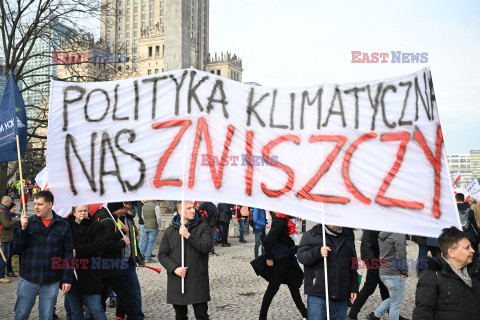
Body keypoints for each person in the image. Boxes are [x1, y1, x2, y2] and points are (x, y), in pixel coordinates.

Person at [13, 190, 73, 320]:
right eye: (34, 203)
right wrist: (22, 229)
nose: (35, 207)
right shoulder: (28, 222)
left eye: (39, 204)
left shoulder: (63, 225)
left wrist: (67, 279)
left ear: (49, 204)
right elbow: (17, 248)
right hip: (29, 278)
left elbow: (68, 254)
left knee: (46, 317)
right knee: (21, 315)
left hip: (51, 280)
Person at [158, 200, 213, 319]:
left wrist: (188, 235)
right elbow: (162, 255)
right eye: (188, 208)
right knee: (180, 316)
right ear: (179, 211)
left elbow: (206, 247)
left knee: (202, 315)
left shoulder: (203, 227)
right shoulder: (170, 231)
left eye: (193, 207)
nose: (193, 210)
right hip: (178, 280)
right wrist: (174, 269)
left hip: (198, 279)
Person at [412, 226, 480, 319]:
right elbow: (422, 314)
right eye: (467, 248)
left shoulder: (474, 273)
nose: (473, 250)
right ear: (451, 253)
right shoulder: (432, 276)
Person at [297, 224, 358, 320]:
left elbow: (353, 262)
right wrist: (318, 252)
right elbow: (301, 257)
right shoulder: (311, 235)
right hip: (318, 295)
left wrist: (354, 287)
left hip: (341, 296)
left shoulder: (348, 235)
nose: (337, 223)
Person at [259, 212, 307, 320]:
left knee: (294, 287)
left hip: (288, 260)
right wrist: (269, 257)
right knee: (272, 289)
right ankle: (262, 318)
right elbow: (267, 241)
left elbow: (285, 241)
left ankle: (306, 314)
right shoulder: (281, 221)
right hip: (280, 261)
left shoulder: (286, 219)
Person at [96, 202, 138, 320]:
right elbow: (107, 245)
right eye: (121, 208)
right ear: (114, 208)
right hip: (110, 266)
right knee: (125, 295)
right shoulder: (109, 221)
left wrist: (122, 232)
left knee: (101, 297)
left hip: (101, 265)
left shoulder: (102, 216)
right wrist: (123, 242)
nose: (124, 210)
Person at [65, 205, 107, 320]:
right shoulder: (67, 225)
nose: (83, 213)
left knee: (95, 308)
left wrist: (76, 252)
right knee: (75, 310)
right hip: (72, 274)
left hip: (90, 274)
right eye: (80, 211)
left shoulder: (97, 226)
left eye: (85, 211)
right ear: (73, 212)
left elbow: (98, 245)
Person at [112, 201, 145, 320]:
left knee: (134, 292)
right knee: (118, 292)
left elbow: (134, 241)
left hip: (129, 263)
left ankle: (138, 316)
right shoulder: (112, 219)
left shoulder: (130, 219)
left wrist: (138, 258)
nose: (127, 207)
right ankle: (120, 315)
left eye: (130, 204)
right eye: (125, 204)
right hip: (116, 263)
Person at [348, 230, 389, 320]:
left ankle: (393, 313)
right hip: (373, 257)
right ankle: (352, 314)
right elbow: (374, 241)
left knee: (384, 287)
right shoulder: (376, 220)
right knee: (369, 287)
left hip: (371, 255)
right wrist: (379, 258)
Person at [367, 232, 408, 320]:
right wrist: (404, 271)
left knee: (394, 298)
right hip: (394, 272)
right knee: (395, 304)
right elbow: (400, 255)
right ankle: (375, 315)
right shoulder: (398, 234)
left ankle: (376, 315)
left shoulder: (383, 234)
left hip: (384, 271)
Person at [0, 196, 20, 283]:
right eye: (9, 203)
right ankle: (1, 276)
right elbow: (6, 224)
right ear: (5, 202)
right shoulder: (2, 212)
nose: (10, 204)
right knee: (3, 257)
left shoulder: (4, 210)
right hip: (4, 237)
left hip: (6, 237)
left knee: (5, 257)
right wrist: (16, 220)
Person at [7, 202, 21, 277]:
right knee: (10, 255)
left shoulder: (17, 215)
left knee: (21, 254)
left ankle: (21, 270)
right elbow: (10, 226)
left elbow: (21, 224)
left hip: (18, 238)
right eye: (13, 207)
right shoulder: (8, 216)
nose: (15, 208)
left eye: (15, 207)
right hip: (12, 239)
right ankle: (9, 270)